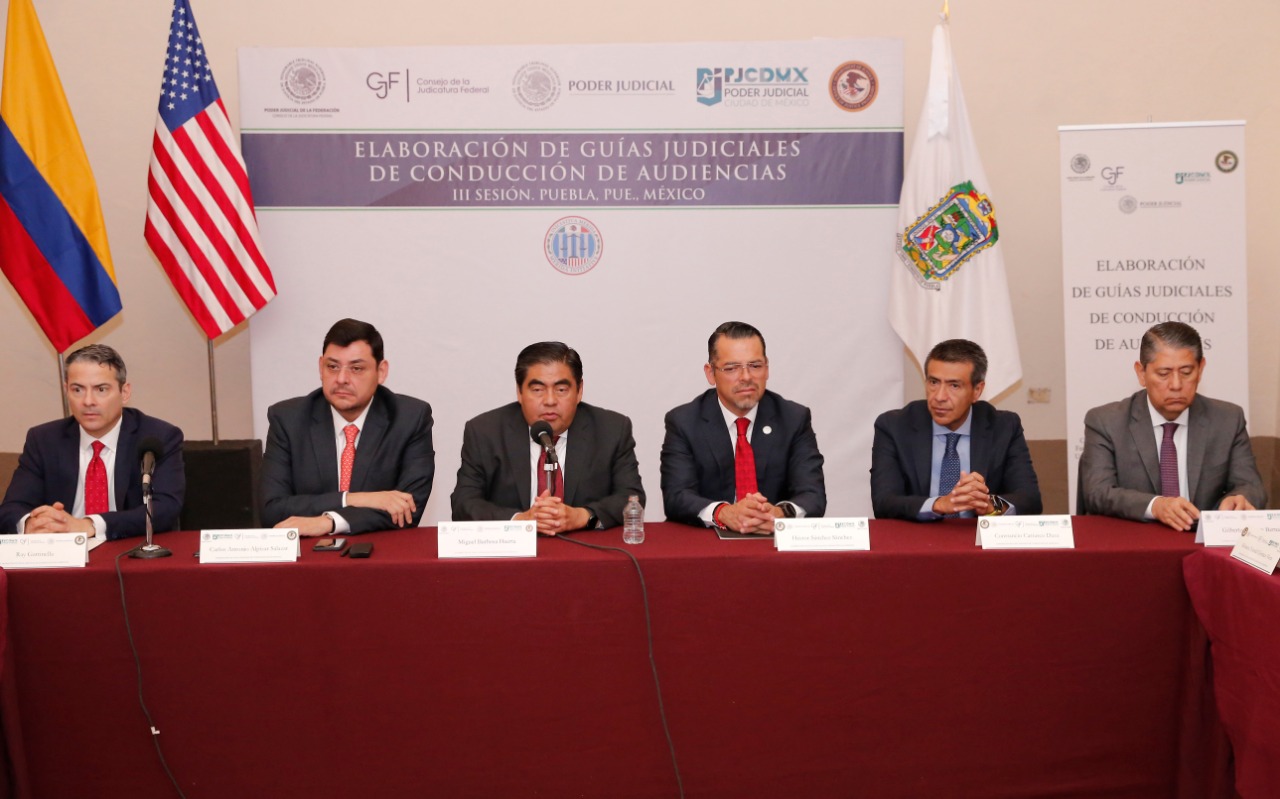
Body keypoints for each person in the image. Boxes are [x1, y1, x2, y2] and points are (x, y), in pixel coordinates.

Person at [1077, 321, 1265, 531]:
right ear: (1141, 373)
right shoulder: (1106, 422)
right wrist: (1155, 506)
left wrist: (1239, 498)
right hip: (1135, 540)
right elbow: (1097, 492)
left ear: (1200, 369)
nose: (1176, 385)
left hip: (1202, 542)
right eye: (1163, 373)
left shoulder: (1227, 419)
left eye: (1186, 372)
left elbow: (1251, 486)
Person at [261, 319, 434, 535]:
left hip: (378, 551)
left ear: (381, 372)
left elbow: (408, 510)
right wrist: (352, 499)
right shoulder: (288, 419)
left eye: (356, 368)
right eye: (332, 367)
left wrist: (329, 522)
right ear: (320, 368)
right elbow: (272, 510)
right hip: (308, 552)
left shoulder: (410, 418)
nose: (342, 379)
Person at [451, 341, 644, 534]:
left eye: (561, 390)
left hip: (583, 547)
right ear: (519, 392)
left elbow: (631, 496)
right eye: (537, 390)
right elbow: (463, 502)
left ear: (579, 391)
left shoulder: (611, 430)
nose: (550, 401)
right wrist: (520, 520)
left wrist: (581, 516)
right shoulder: (485, 432)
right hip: (512, 550)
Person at [0, 344, 185, 539]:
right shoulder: (44, 440)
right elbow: (11, 508)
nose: (88, 401)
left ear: (124, 393)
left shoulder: (158, 437)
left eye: (101, 389)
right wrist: (31, 524)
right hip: (63, 552)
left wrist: (90, 525)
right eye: (78, 389)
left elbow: (165, 508)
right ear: (66, 391)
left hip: (128, 547)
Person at [660, 321, 826, 533]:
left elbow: (813, 495)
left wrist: (779, 514)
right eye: (732, 368)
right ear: (710, 373)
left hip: (773, 540)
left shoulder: (793, 418)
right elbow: (677, 496)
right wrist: (724, 513)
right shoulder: (684, 421)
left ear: (767, 368)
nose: (746, 377)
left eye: (755, 366)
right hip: (709, 542)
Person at [871, 339, 1041, 521]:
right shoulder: (894, 426)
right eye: (934, 382)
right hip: (918, 535)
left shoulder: (1004, 427)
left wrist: (989, 504)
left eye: (954, 385)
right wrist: (938, 504)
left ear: (977, 390)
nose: (939, 397)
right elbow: (884, 502)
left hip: (977, 536)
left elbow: (1030, 501)